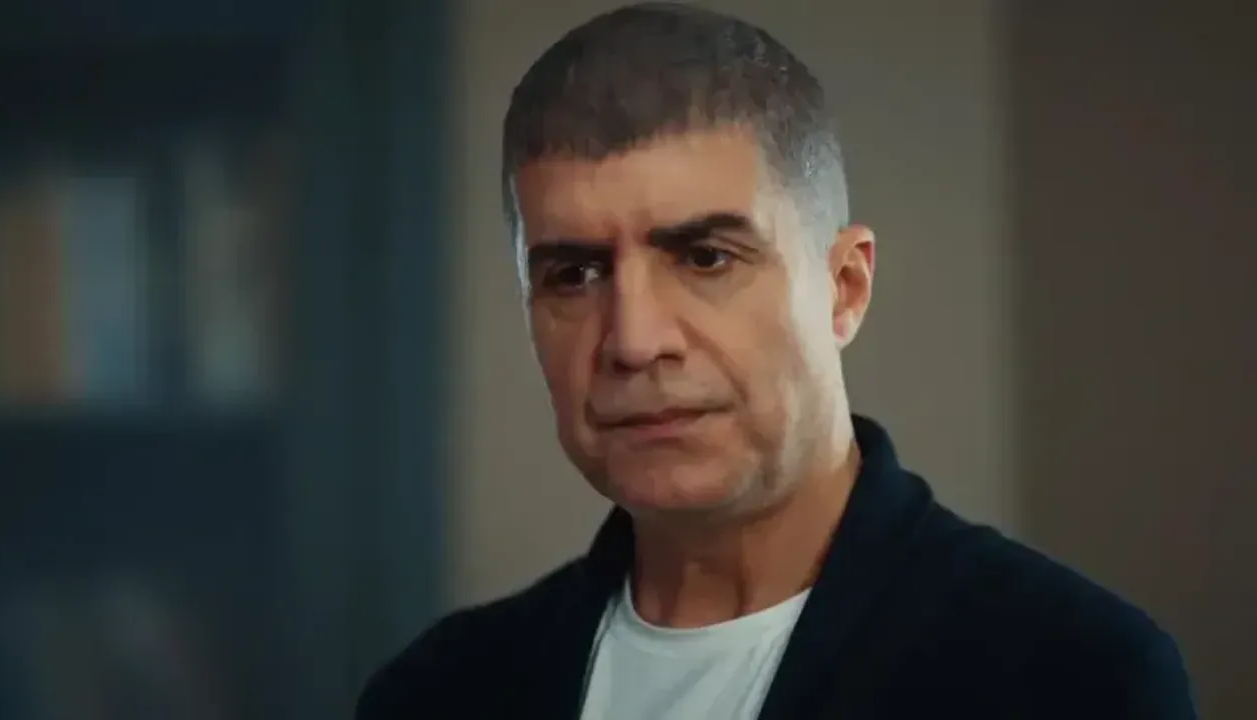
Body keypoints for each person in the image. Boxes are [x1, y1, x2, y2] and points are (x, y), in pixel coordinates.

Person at [357, 3, 1196, 718]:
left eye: (706, 258)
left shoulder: (1072, 679)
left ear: (844, 288)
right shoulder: (437, 694)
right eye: (574, 275)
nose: (634, 340)